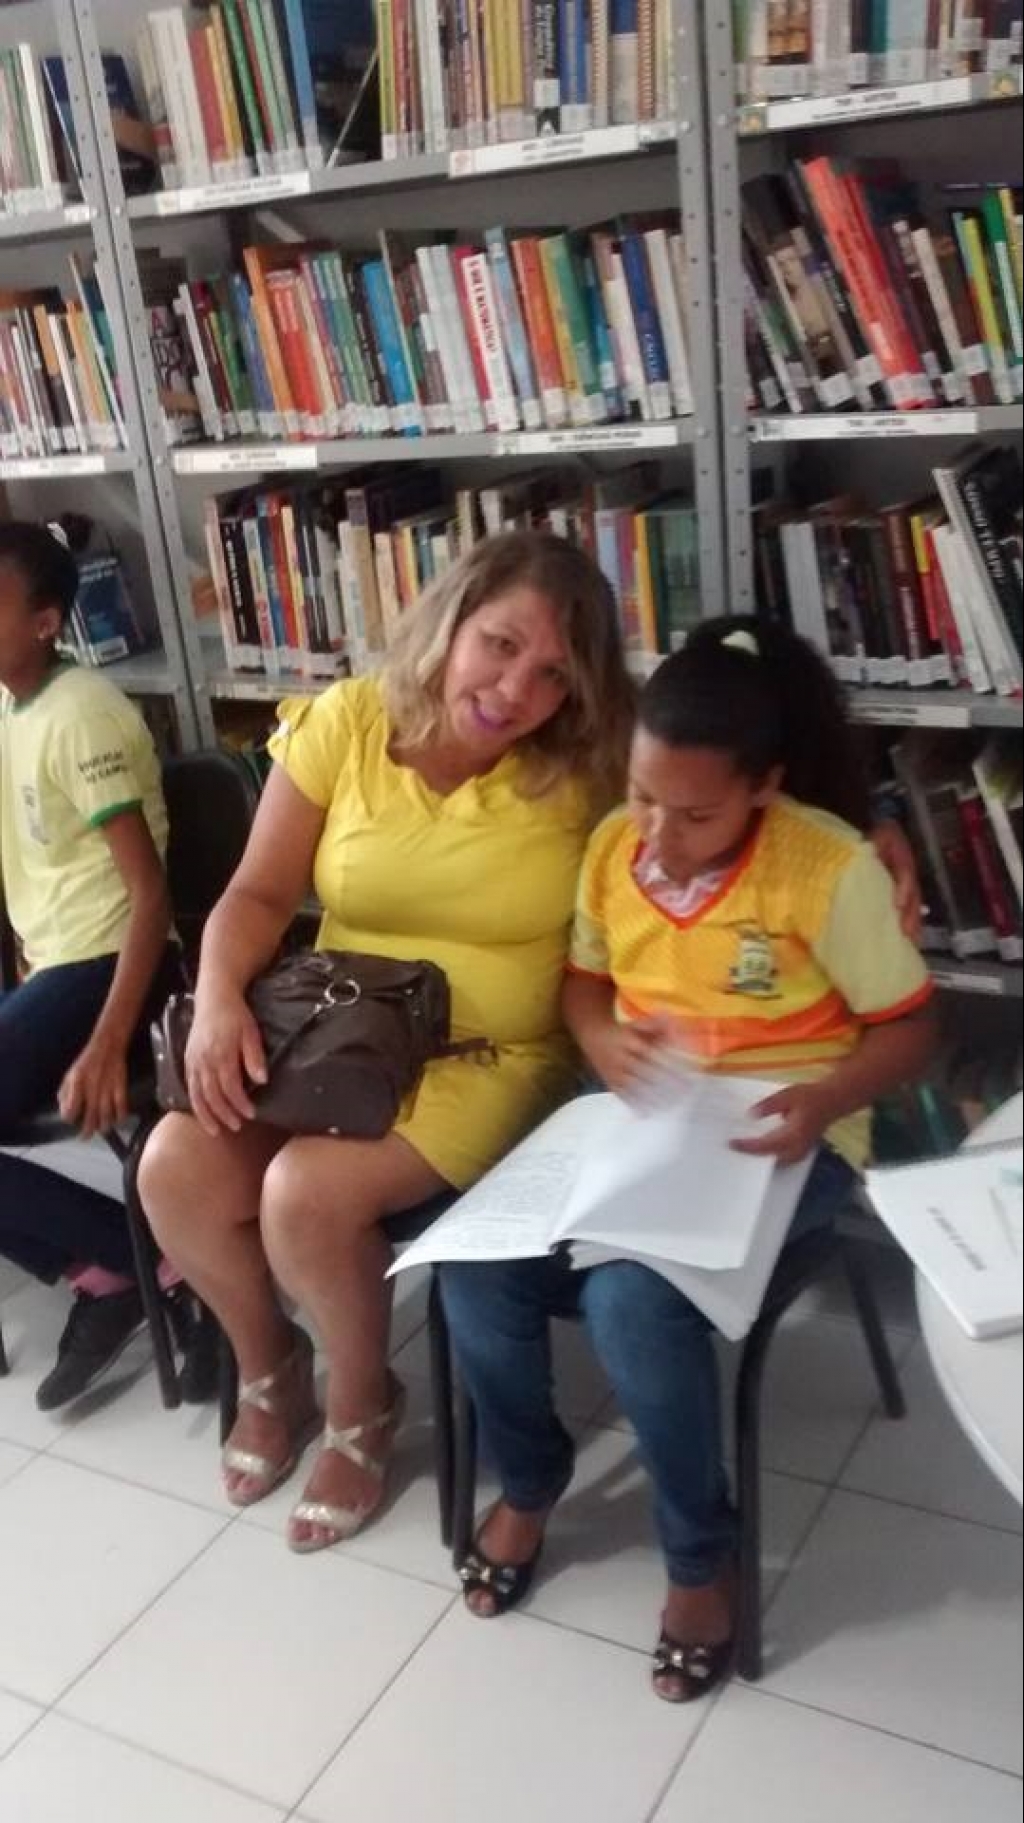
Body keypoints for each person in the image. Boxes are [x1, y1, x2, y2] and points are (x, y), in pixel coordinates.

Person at [439, 616, 936, 1703]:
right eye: (643, 797)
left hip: (788, 1132)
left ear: (764, 789)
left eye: (696, 814)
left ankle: (700, 1556)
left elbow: (909, 1029)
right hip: (640, 1125)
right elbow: (584, 981)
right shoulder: (616, 845)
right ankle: (533, 1474)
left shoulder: (825, 867)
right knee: (473, 1268)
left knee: (628, 1303)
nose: (658, 836)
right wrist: (600, 1034)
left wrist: (823, 1098)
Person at [137, 529, 636, 1550]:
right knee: (173, 1165)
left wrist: (866, 835)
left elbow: (734, 787)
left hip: (491, 1055)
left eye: (552, 674)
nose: (515, 690)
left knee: (303, 1192)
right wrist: (219, 994)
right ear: (449, 620)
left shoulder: (591, 766)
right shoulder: (350, 719)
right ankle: (271, 1364)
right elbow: (259, 892)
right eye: (500, 644)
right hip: (338, 1026)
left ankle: (361, 1404)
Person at [0, 521, 202, 1409]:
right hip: (55, 966)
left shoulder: (82, 713)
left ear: (45, 622)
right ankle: (114, 1271)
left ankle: (147, 1262)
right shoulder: (11, 704)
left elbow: (149, 899)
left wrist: (108, 1039)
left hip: (115, 962)